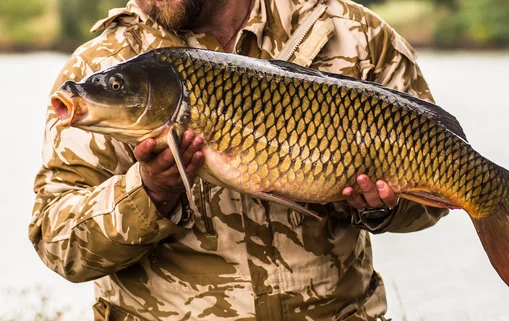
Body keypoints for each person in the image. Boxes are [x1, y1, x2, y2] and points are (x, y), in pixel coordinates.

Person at [29, 0, 448, 320]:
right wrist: (149, 192)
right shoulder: (103, 69)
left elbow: (437, 195)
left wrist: (383, 209)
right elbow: (59, 244)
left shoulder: (353, 35)